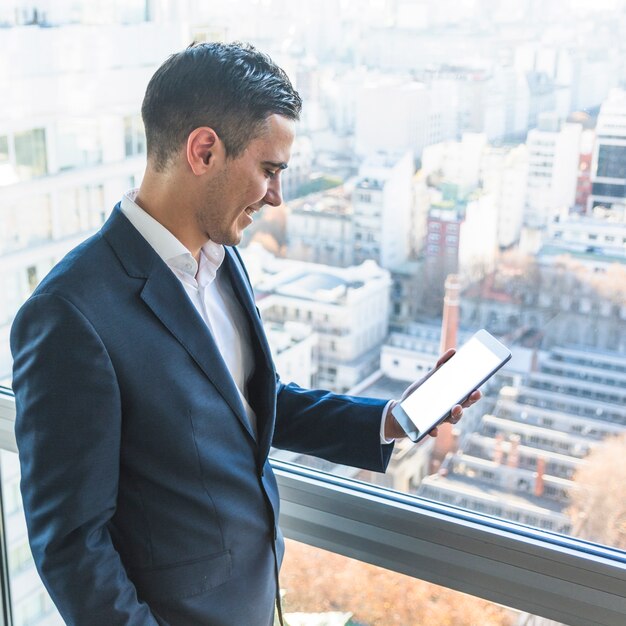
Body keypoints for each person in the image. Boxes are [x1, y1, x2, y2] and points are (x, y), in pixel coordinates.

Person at [10, 42, 481, 626]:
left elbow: (253, 404)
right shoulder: (68, 316)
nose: (277, 196)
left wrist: (394, 417)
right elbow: (71, 545)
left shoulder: (222, 258)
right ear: (204, 150)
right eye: (269, 170)